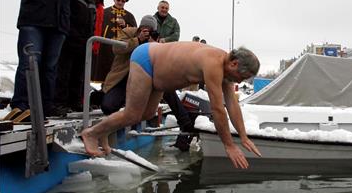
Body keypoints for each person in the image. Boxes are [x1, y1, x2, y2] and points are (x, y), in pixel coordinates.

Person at [81, 44, 262, 169]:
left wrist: (244, 137)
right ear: (234, 63)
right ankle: (91, 133)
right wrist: (229, 145)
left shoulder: (226, 69)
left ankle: (103, 131)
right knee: (132, 114)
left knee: (148, 113)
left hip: (159, 74)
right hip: (146, 59)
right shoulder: (213, 64)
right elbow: (218, 109)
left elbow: (232, 104)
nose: (239, 81)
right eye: (241, 76)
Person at [8, 0, 87, 121]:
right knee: (30, 62)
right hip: (33, 19)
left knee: (51, 67)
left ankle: (45, 105)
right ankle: (21, 105)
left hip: (58, 23)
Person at [52, 0, 99, 116]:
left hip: (84, 43)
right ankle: (59, 102)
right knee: (63, 73)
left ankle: (75, 101)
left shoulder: (92, 3)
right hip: (69, 40)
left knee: (78, 75)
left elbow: (92, 25)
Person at [100, 15, 158, 115]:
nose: (147, 32)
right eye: (145, 28)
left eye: (150, 30)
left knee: (167, 89)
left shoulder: (154, 39)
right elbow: (116, 48)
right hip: (123, 77)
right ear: (140, 27)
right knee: (108, 107)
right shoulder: (128, 32)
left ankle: (185, 121)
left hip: (142, 79)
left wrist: (154, 45)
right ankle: (104, 96)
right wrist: (138, 40)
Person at [91, 0, 137, 82]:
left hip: (123, 50)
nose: (120, 2)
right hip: (106, 48)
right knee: (103, 72)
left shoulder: (129, 16)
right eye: (118, 0)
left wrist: (125, 25)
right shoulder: (105, 12)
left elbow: (135, 32)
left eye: (122, 1)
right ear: (114, 0)